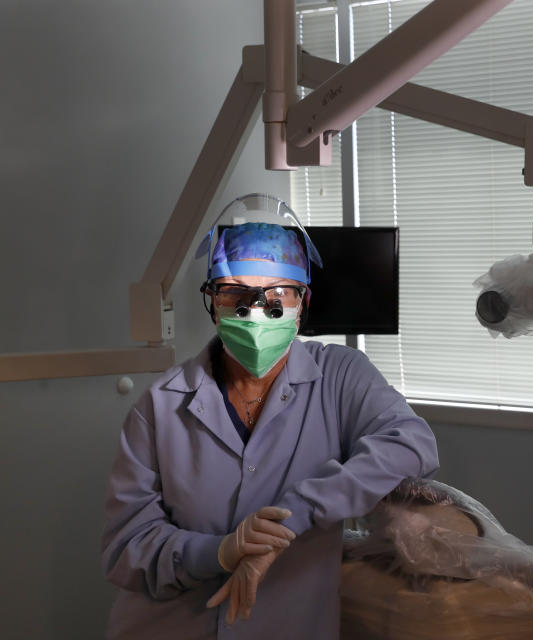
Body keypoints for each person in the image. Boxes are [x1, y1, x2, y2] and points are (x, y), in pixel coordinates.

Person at [101, 213, 439, 639]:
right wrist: (219, 552)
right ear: (212, 303)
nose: (256, 313)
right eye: (234, 295)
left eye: (277, 295)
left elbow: (411, 444)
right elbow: (124, 550)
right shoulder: (160, 406)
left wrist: (296, 513)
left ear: (303, 303)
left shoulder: (339, 376)